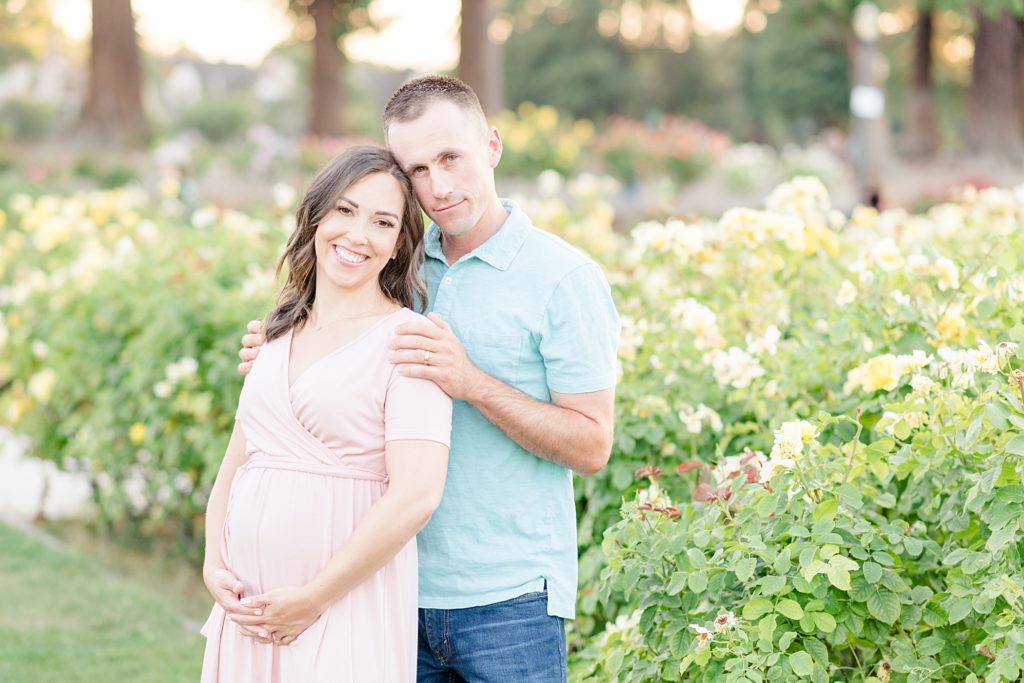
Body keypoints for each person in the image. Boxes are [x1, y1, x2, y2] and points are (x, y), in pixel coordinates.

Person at [239, 76, 620, 682]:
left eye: (451, 158)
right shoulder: (399, 262)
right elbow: (342, 337)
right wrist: (287, 352)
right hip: (390, 585)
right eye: (417, 169)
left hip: (509, 601)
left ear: (491, 146)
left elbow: (592, 444)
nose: (438, 187)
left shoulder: (563, 278)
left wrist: (471, 381)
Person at [202, 145, 452, 682]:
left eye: (382, 222)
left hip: (341, 606)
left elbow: (417, 496)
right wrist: (212, 562)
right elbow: (237, 462)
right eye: (344, 210)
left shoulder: (409, 341)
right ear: (316, 217)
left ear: (398, 246)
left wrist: (314, 598)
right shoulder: (275, 332)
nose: (357, 235)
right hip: (248, 607)